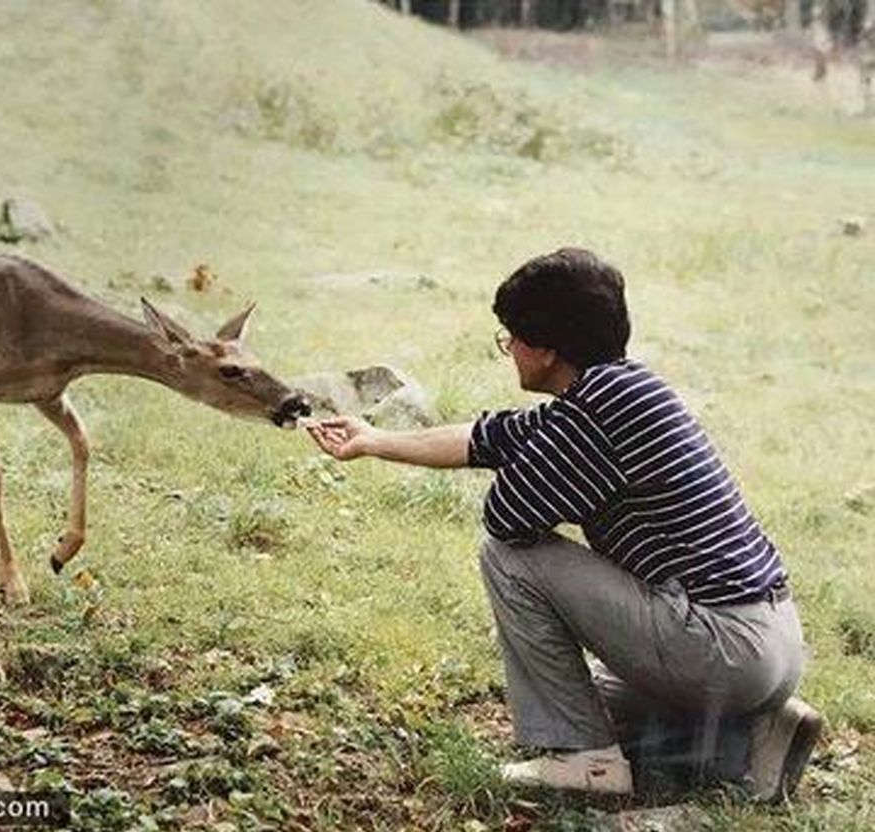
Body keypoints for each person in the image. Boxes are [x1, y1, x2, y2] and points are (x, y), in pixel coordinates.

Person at [304, 247, 820, 800]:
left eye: (511, 338)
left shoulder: (591, 416)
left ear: (546, 350)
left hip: (722, 646)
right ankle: (755, 734)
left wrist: (542, 461)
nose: (508, 350)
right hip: (773, 645)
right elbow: (488, 437)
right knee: (594, 694)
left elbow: (506, 517)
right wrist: (375, 440)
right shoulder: (628, 389)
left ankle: (587, 762)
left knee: (510, 558)